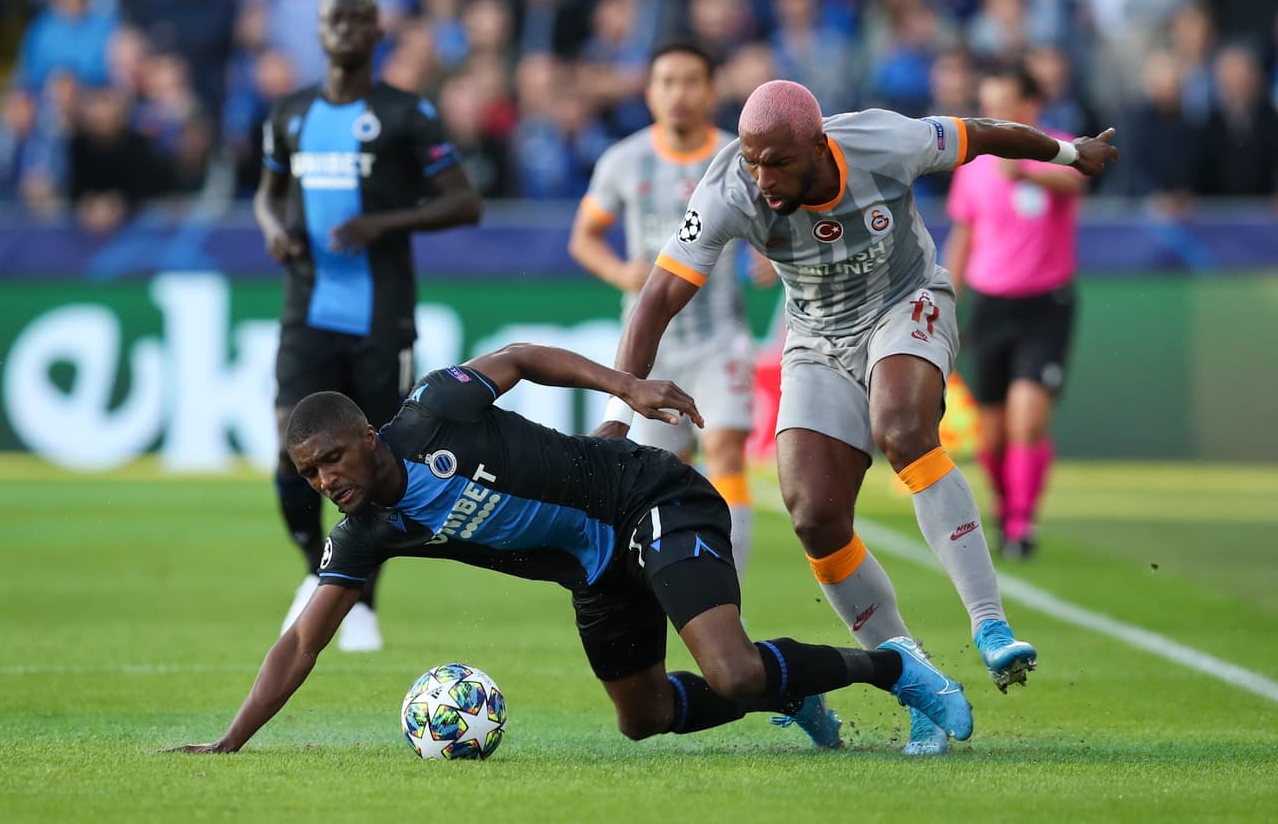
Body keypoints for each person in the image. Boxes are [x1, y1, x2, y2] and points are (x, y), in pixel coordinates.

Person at [600, 79, 1118, 755]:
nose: (763, 179)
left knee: (903, 430)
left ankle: (989, 622)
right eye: (754, 161)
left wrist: (1068, 152)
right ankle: (914, 677)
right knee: (814, 513)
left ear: (819, 145)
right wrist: (616, 410)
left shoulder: (883, 141)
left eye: (778, 162)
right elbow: (658, 296)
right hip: (815, 338)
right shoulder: (730, 185)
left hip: (905, 302)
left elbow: (981, 133)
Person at [165, 342, 974, 754]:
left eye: (332, 459)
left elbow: (517, 357)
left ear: (366, 436)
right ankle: (784, 688)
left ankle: (897, 668)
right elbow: (303, 637)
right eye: (309, 473)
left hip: (646, 496)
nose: (325, 480)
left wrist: (628, 388)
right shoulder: (369, 530)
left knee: (728, 668)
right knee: (644, 718)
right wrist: (227, 741)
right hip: (596, 570)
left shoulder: (434, 411)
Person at [255, 0, 482, 652]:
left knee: (377, 461)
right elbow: (266, 194)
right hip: (307, 310)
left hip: (381, 318)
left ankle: (361, 599)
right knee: (286, 446)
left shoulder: (406, 115)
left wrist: (382, 223)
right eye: (336, 19)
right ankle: (317, 573)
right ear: (320, 31)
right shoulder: (289, 115)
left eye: (360, 18)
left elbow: (465, 201)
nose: (347, 28)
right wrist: (274, 230)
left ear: (379, 31)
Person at [569, 41, 757, 580]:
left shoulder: (736, 156)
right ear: (650, 92)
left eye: (690, 81)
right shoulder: (624, 160)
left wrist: (765, 259)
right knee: (665, 471)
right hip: (652, 346)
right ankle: (684, 580)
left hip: (721, 335)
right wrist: (618, 271)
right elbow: (584, 237)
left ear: (711, 91)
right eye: (667, 82)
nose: (678, 94)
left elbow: (771, 226)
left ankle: (729, 585)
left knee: (724, 448)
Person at [943, 65, 1085, 560]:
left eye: (1003, 103)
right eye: (988, 103)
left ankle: (1024, 526)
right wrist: (943, 297)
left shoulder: (1060, 147)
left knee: (1028, 419)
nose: (994, 114)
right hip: (991, 304)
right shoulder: (974, 163)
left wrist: (1024, 168)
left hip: (1046, 303)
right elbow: (964, 235)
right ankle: (1006, 511)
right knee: (996, 432)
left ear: (1029, 107)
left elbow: (1077, 184)